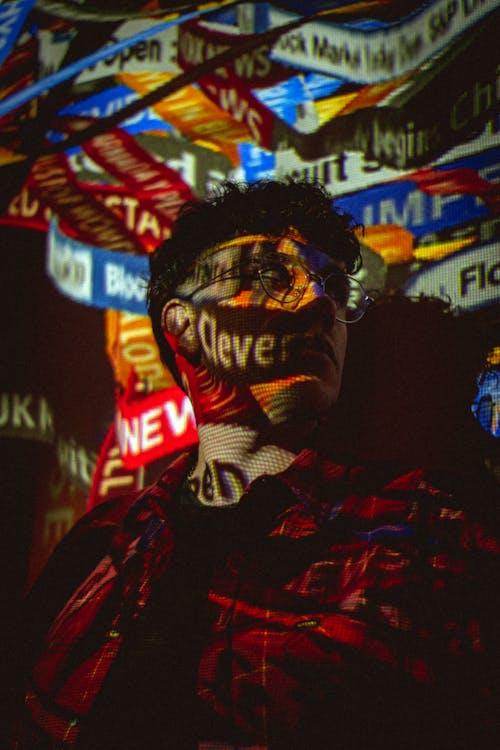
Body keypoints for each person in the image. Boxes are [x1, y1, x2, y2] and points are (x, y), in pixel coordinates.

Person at [12, 180, 499, 749]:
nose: (321, 302)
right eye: (268, 275)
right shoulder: (97, 546)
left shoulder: (432, 533)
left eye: (336, 288)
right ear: (184, 326)